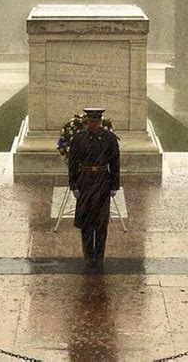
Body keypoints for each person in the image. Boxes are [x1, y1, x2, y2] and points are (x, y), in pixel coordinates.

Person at [68, 108, 120, 269]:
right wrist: (73, 185)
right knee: (86, 221)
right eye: (91, 121)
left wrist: (114, 185)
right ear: (87, 122)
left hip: (102, 181)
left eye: (96, 122)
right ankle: (88, 255)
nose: (94, 124)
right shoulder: (78, 139)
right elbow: (72, 163)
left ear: (100, 122)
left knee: (101, 221)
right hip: (85, 181)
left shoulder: (109, 138)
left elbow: (115, 163)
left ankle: (99, 256)